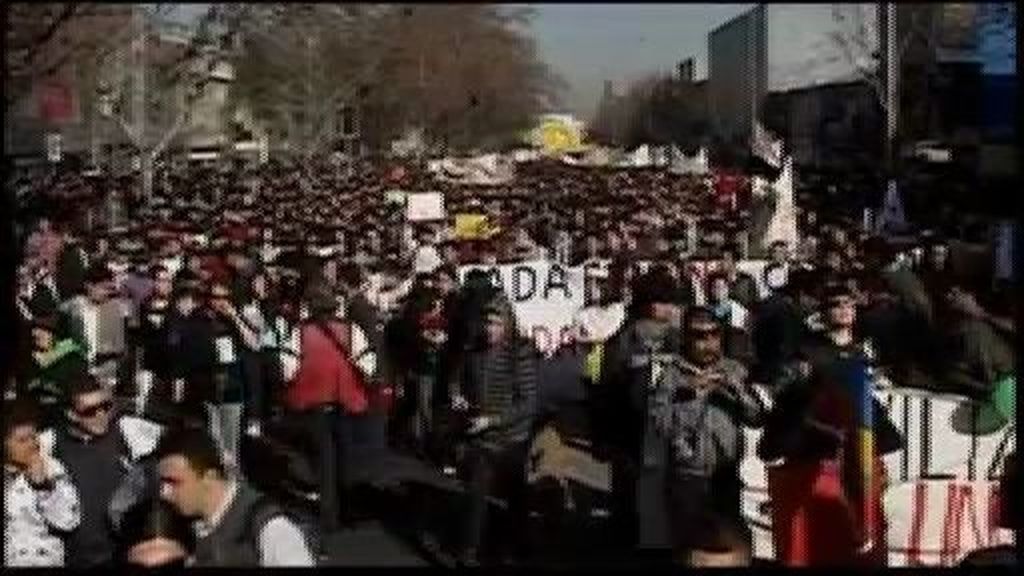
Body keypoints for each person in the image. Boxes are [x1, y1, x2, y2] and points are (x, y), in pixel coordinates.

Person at [757, 282, 903, 566]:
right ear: (824, 313)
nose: (845, 309)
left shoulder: (864, 353)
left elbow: (875, 420)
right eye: (837, 304)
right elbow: (786, 399)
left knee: (861, 542)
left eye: (850, 303)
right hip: (814, 463)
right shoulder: (807, 354)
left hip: (857, 461)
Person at [653, 307, 764, 563]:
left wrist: (737, 392)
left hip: (725, 472)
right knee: (692, 545)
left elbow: (756, 417)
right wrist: (688, 393)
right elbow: (658, 423)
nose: (707, 343)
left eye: (713, 335)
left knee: (730, 541)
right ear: (687, 339)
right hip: (687, 474)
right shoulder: (671, 375)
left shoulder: (734, 370)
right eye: (699, 336)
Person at [596, 266, 682, 556]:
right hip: (631, 430)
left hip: (671, 430)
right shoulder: (624, 340)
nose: (671, 308)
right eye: (666, 301)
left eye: (673, 301)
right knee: (630, 495)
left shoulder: (679, 337)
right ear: (651, 304)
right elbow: (607, 389)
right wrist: (605, 436)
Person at [449, 291, 539, 566]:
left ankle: (515, 546)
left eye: (497, 323)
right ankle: (469, 552)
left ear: (508, 324)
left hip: (512, 438)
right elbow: (457, 378)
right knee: (476, 496)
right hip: (480, 436)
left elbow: (528, 402)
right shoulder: (473, 349)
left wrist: (494, 420)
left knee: (514, 498)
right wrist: (457, 395)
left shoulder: (519, 354)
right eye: (488, 323)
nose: (491, 329)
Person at [38, 374, 160, 568]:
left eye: (106, 406)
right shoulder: (49, 443)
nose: (101, 415)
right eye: (90, 411)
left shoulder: (128, 432)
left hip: (124, 554)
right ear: (71, 414)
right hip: (76, 558)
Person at [154, 426, 315, 566]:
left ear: (210, 477)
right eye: (162, 483)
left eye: (173, 482)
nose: (165, 493)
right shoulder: (184, 531)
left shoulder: (269, 528)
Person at [284, 284, 372, 539]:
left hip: (315, 403)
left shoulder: (301, 332)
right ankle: (350, 509)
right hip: (347, 400)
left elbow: (288, 368)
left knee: (324, 460)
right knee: (348, 457)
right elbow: (367, 363)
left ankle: (329, 515)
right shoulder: (351, 330)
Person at [4, 398, 82, 567]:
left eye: (34, 437)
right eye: (22, 441)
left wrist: (44, 487)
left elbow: (68, 520)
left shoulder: (52, 468)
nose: (32, 445)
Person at [18, 314, 89, 429]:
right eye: (35, 331)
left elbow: (80, 388)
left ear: (54, 334)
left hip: (65, 414)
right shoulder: (26, 360)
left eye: (45, 331)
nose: (38, 334)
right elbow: (22, 389)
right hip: (36, 415)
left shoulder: (71, 356)